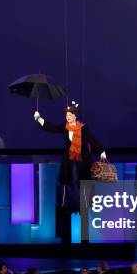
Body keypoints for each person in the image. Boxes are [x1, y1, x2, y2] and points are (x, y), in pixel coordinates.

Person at [34, 101, 106, 244]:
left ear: (75, 116)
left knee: (82, 183)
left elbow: (92, 140)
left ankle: (84, 205)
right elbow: (52, 128)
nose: (67, 117)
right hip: (70, 161)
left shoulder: (82, 128)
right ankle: (72, 204)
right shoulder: (65, 127)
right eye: (66, 115)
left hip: (82, 161)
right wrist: (39, 118)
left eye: (69, 115)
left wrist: (101, 151)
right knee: (70, 183)